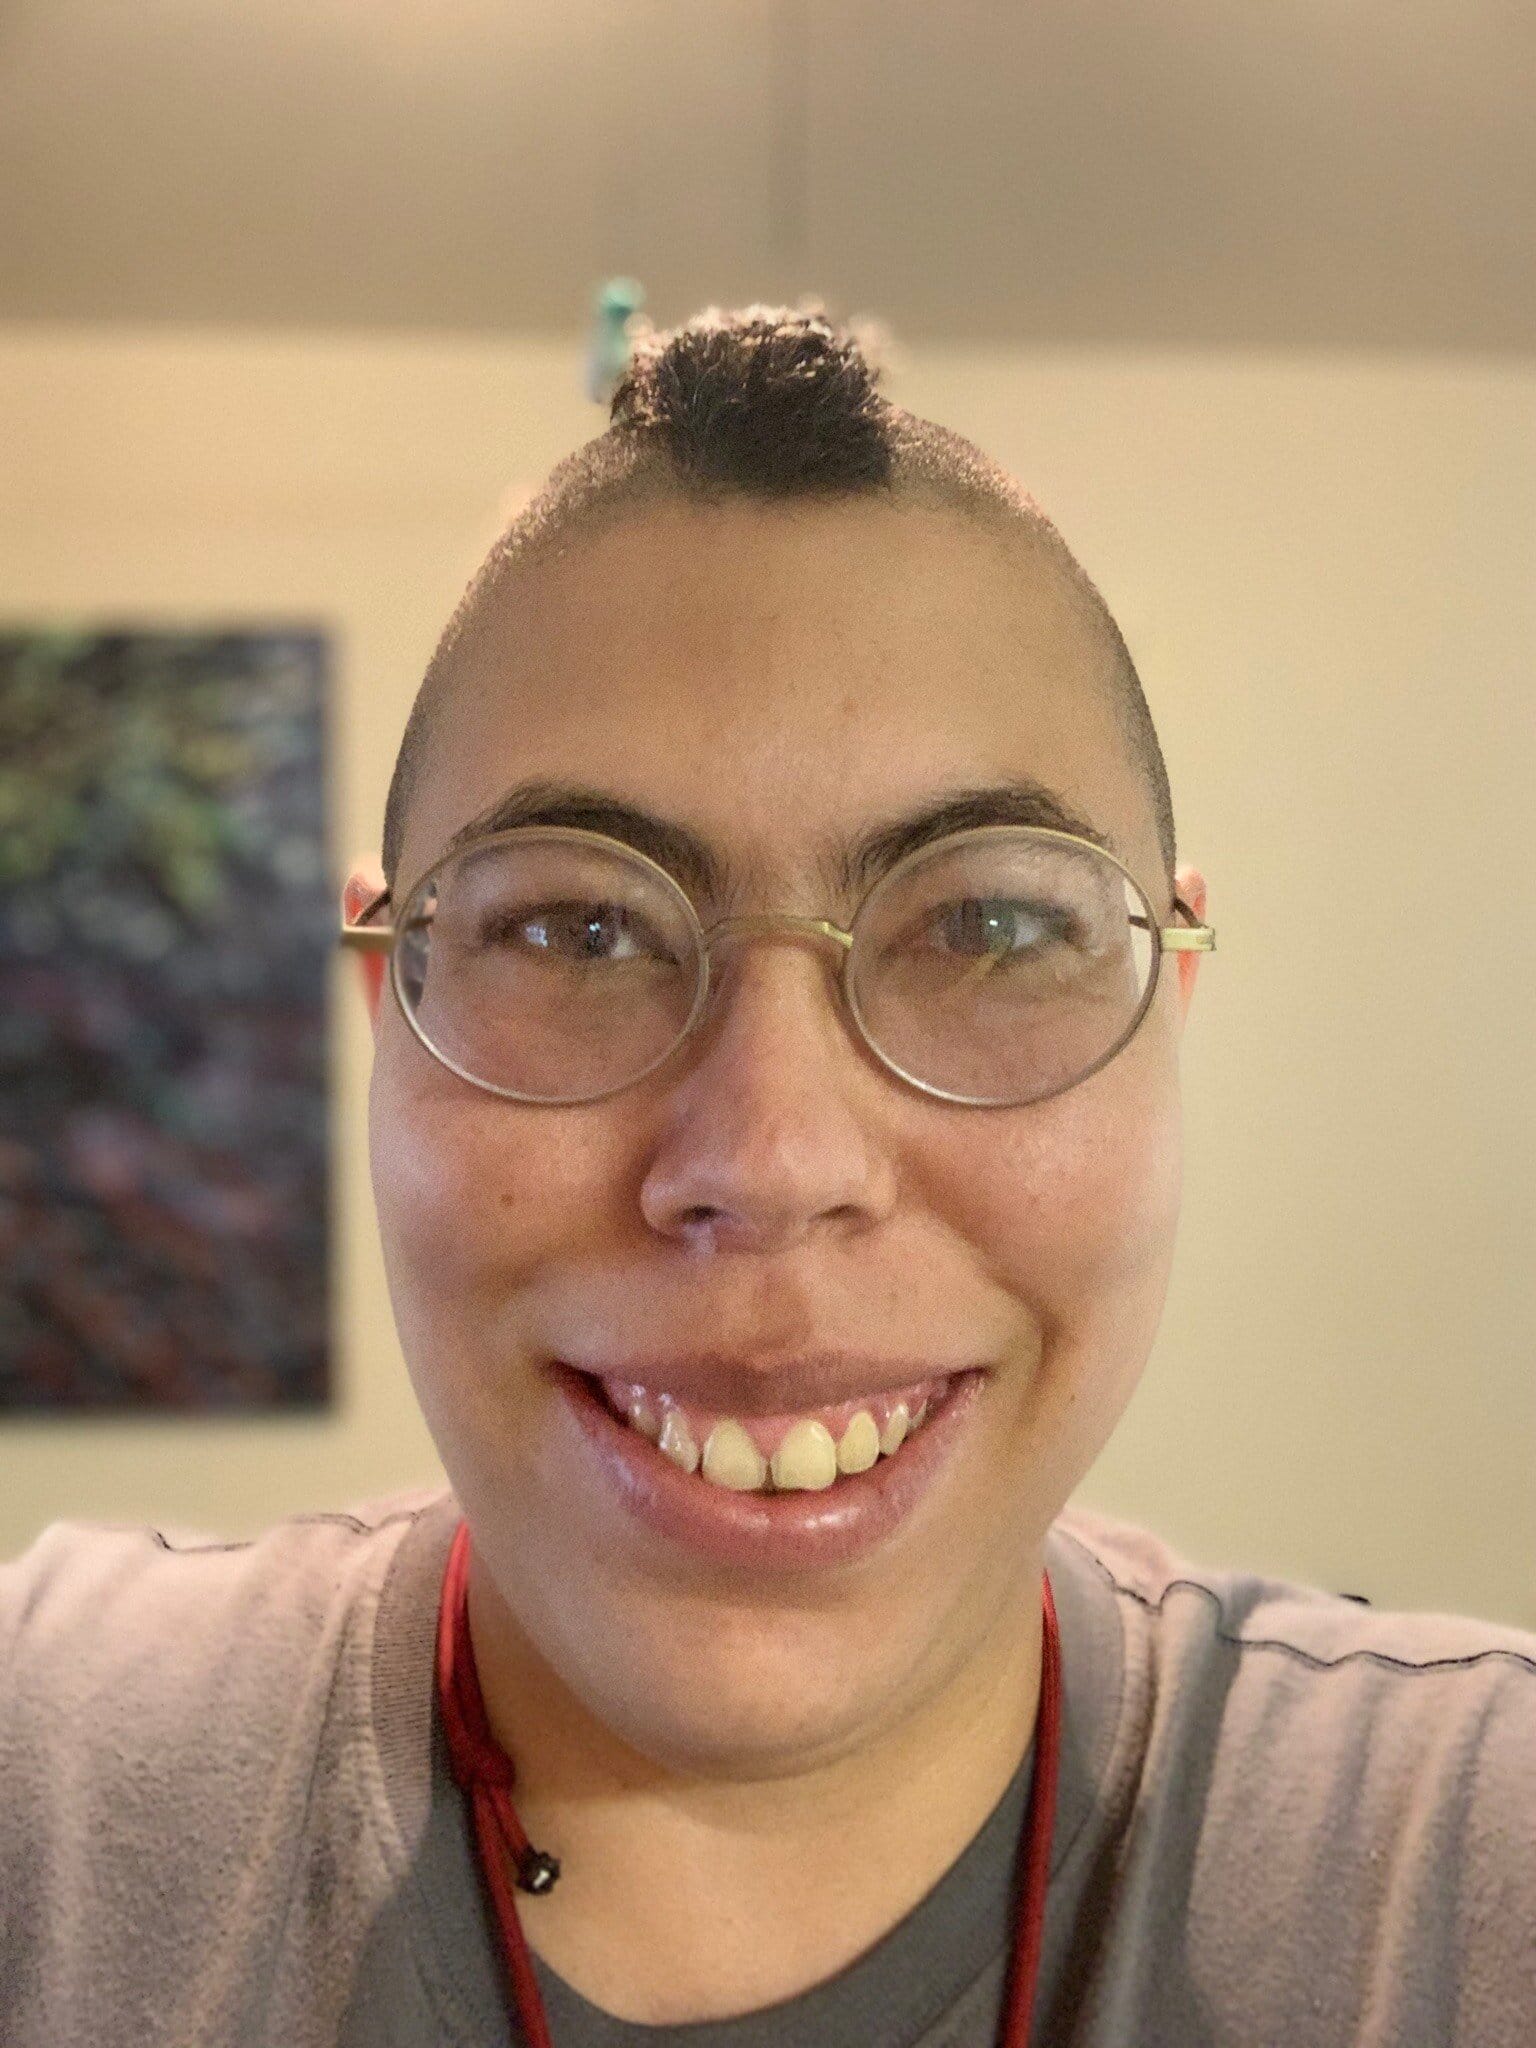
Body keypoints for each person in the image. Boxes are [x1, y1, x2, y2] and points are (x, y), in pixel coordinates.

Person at [2, 302, 1531, 2048]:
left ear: (1164, 1007)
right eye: (577, 931)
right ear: (386, 1010)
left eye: (989, 926)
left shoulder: (1459, 1874)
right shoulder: (53, 1786)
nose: (771, 1159)